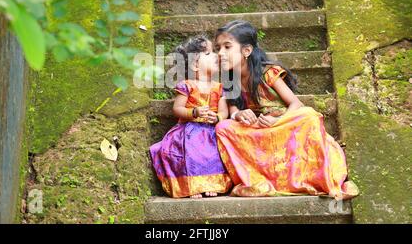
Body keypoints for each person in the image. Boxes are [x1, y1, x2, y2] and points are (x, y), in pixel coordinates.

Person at [214, 20, 359, 200]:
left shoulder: (267, 73)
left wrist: (277, 121)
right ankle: (254, 181)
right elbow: (233, 108)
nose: (220, 53)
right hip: (259, 131)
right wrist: (238, 115)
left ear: (246, 51)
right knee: (223, 127)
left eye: (227, 47)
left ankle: (325, 180)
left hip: (283, 126)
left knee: (309, 115)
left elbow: (296, 104)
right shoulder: (229, 78)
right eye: (218, 48)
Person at [150, 35, 232, 198]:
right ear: (195, 64)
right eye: (209, 53)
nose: (216, 55)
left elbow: (224, 112)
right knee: (192, 151)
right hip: (189, 131)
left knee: (214, 153)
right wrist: (193, 112)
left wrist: (217, 118)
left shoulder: (219, 87)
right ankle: (191, 185)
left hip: (210, 130)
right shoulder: (187, 86)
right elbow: (177, 108)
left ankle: (211, 183)